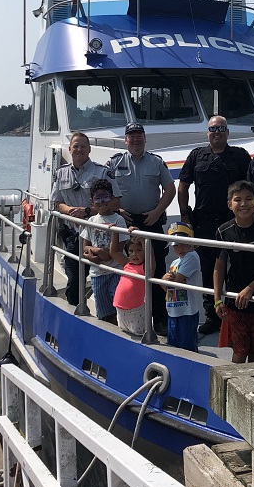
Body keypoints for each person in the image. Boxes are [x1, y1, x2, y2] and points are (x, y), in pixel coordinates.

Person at [178, 116, 252, 336]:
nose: (217, 132)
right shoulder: (196, 155)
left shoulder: (239, 156)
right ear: (207, 132)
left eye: (221, 128)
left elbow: (250, 188)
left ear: (227, 132)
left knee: (240, 268)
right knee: (209, 270)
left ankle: (242, 314)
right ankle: (214, 316)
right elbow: (183, 186)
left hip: (234, 222)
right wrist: (185, 216)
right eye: (212, 129)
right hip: (204, 223)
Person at [106, 123, 176, 333]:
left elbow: (170, 189)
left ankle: (160, 319)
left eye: (139, 136)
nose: (135, 140)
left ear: (145, 139)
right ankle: (125, 315)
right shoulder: (115, 162)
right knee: (125, 269)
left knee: (156, 272)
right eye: (131, 136)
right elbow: (103, 189)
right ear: (125, 140)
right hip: (124, 221)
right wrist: (116, 210)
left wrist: (157, 211)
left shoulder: (156, 162)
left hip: (151, 220)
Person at [51, 132, 121, 306]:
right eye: (76, 146)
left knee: (104, 280)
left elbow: (116, 201)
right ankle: (77, 313)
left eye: (83, 146)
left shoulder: (102, 172)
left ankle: (108, 319)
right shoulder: (60, 173)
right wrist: (70, 210)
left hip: (99, 235)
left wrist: (88, 211)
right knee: (74, 281)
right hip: (74, 235)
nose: (79, 149)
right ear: (70, 149)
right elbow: (57, 202)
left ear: (89, 149)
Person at [213, 181, 254, 364]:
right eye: (237, 200)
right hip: (235, 301)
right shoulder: (223, 231)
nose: (243, 204)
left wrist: (250, 289)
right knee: (239, 351)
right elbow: (219, 267)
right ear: (229, 205)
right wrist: (217, 299)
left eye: (249, 199)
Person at [82, 179, 127, 324]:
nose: (102, 202)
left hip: (116, 271)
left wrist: (99, 255)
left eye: (105, 197)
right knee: (103, 313)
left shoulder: (118, 220)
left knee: (118, 306)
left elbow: (118, 249)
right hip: (98, 273)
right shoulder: (91, 220)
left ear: (112, 198)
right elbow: (85, 246)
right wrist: (97, 251)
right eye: (97, 198)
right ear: (91, 201)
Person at [162, 222, 202, 352]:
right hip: (172, 310)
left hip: (187, 312)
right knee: (173, 347)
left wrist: (165, 280)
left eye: (183, 242)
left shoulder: (192, 256)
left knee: (188, 348)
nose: (180, 248)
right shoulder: (174, 262)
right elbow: (168, 288)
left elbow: (177, 281)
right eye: (175, 245)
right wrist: (163, 281)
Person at [110, 235, 152, 338]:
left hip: (135, 311)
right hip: (120, 309)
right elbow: (114, 252)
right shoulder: (127, 264)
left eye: (139, 250)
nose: (134, 254)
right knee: (125, 335)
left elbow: (150, 257)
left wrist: (143, 238)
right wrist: (115, 233)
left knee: (139, 336)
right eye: (131, 251)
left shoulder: (145, 268)